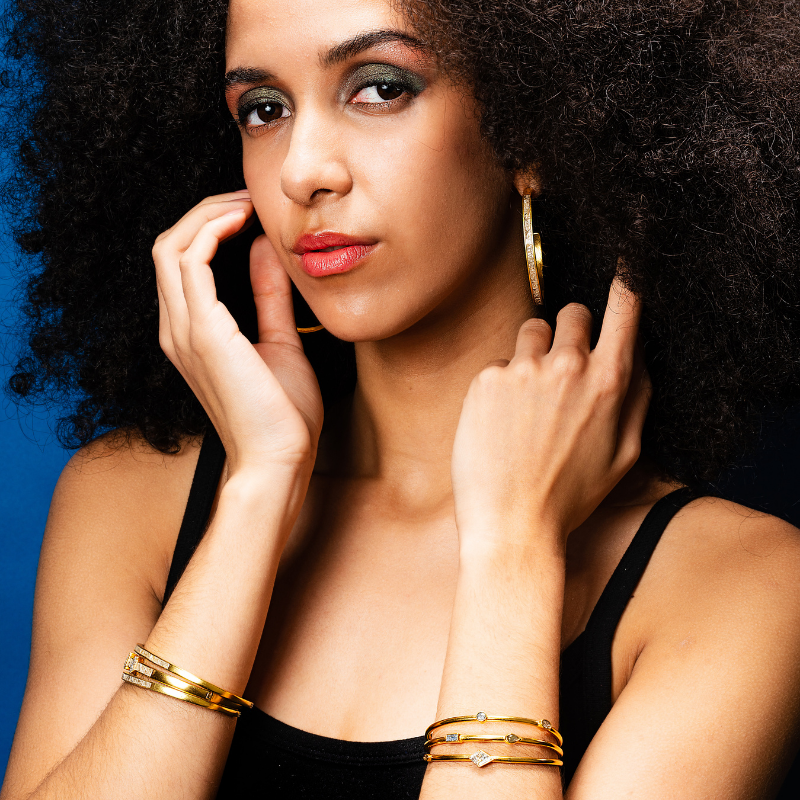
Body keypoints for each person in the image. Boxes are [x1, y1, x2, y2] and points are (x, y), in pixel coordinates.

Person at [2, 0, 800, 797]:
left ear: (533, 129)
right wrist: (257, 492)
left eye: (380, 88)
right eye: (265, 109)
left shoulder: (742, 587)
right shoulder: (127, 504)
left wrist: (515, 550)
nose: (301, 171)